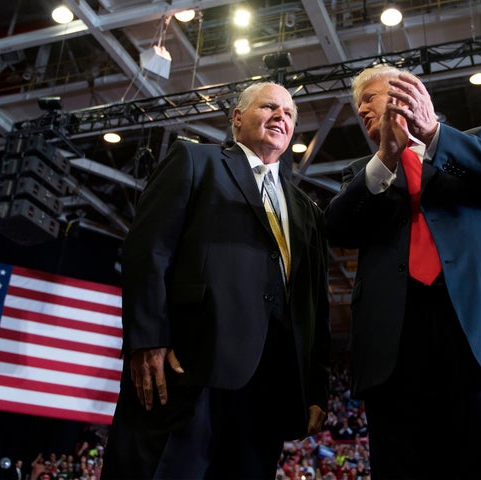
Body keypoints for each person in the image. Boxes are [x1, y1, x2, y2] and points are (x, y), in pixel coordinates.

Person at [324, 64, 481, 479]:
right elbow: (336, 229)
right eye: (357, 104)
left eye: (370, 97)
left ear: (406, 94)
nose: (361, 109)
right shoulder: (364, 177)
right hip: (396, 354)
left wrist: (434, 134)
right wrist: (385, 157)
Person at [101, 81, 331, 479]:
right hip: (186, 370)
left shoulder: (306, 209)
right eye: (269, 107)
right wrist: (149, 338)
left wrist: (315, 388)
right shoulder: (195, 160)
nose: (282, 116)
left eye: (290, 114)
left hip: (267, 387)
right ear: (237, 118)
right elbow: (148, 249)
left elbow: (315, 306)